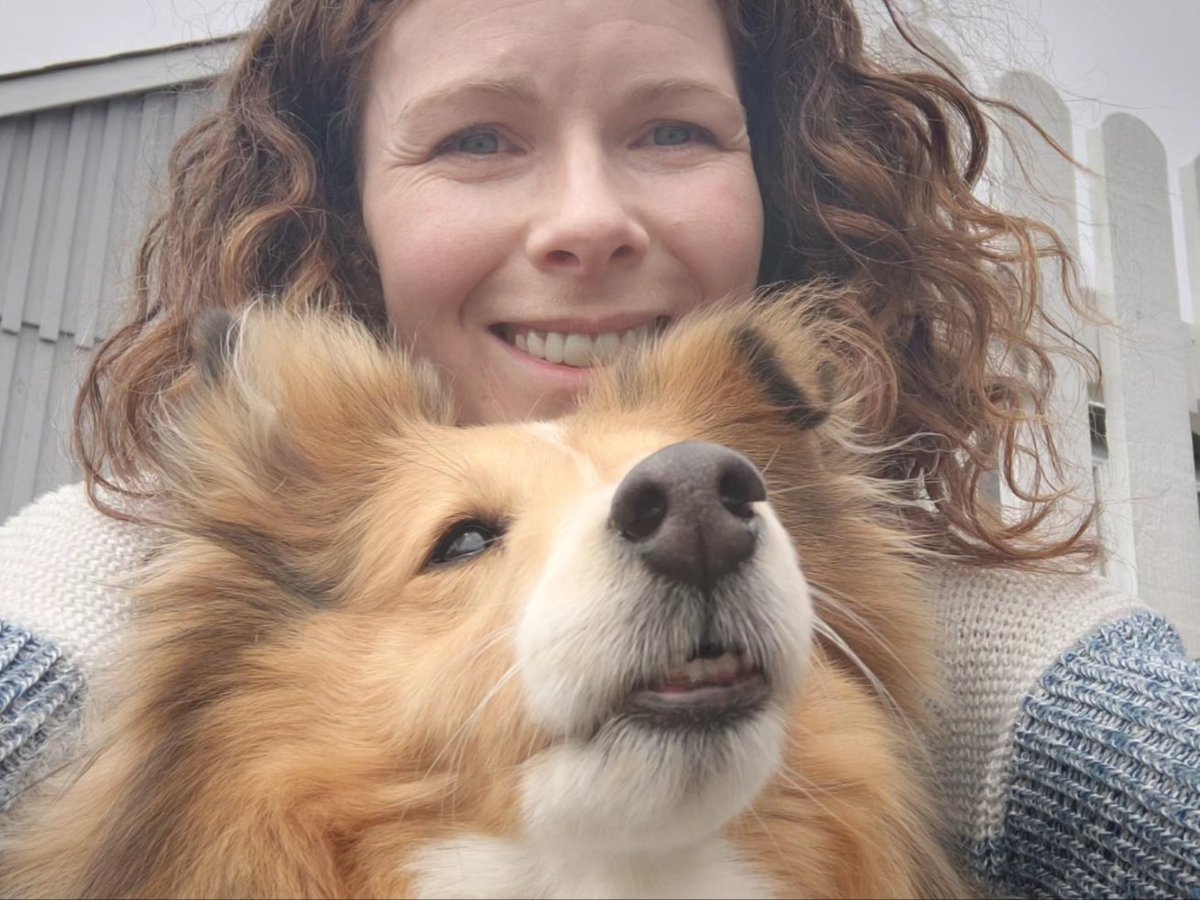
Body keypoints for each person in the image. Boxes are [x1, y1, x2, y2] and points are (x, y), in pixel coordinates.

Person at [0, 0, 1197, 896]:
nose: (588, 221)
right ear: (344, 199)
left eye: (673, 129)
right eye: (476, 139)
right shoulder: (108, 566)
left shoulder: (974, 621)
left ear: (774, 177)